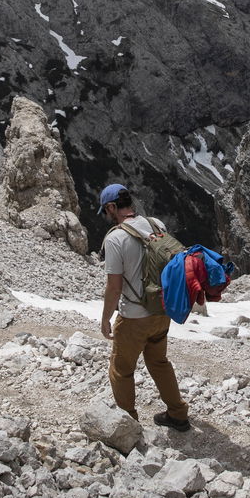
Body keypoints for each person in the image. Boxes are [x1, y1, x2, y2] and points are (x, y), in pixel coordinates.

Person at [99, 183, 191, 431]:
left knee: (121, 369)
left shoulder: (115, 238)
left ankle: (128, 424)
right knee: (159, 362)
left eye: (106, 211)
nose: (106, 216)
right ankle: (178, 413)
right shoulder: (156, 224)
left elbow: (114, 287)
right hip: (162, 311)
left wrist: (106, 318)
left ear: (111, 207)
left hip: (134, 317)